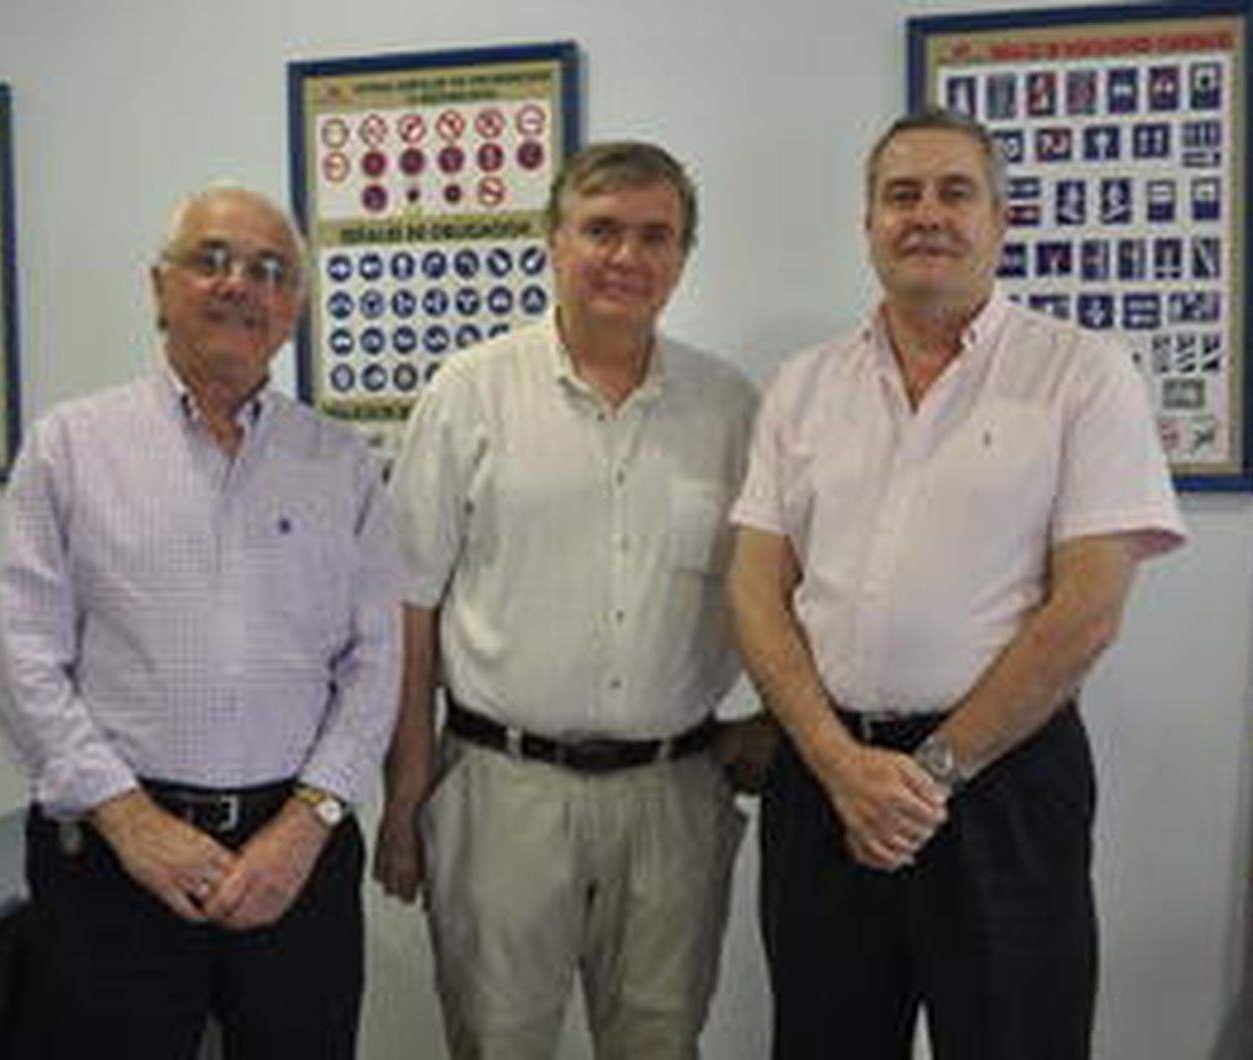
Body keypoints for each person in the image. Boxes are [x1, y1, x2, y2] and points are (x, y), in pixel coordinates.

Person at [727, 109, 1186, 1059]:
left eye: (954, 192)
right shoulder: (803, 386)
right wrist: (840, 766)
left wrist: (928, 778)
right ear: (868, 223)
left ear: (999, 219)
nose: (926, 215)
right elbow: (754, 593)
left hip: (1001, 787)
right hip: (824, 781)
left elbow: (1088, 610)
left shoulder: (1082, 374)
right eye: (901, 195)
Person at [0, 184, 401, 1059]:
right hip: (108, 857)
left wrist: (308, 824)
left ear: (293, 309)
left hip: (298, 853)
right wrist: (128, 819)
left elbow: (375, 666)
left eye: (270, 271)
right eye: (212, 260)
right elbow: (23, 662)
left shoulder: (343, 464)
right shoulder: (70, 448)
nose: (240, 284)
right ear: (159, 287)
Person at [375, 141, 762, 1059]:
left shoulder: (730, 409)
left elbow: (776, 585)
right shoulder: (469, 393)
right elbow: (407, 607)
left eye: (655, 236)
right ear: (554, 241)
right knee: (498, 1040)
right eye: (601, 230)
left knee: (660, 1041)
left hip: (673, 794)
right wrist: (406, 793)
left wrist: (774, 724)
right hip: (504, 793)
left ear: (682, 258)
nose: (627, 256)